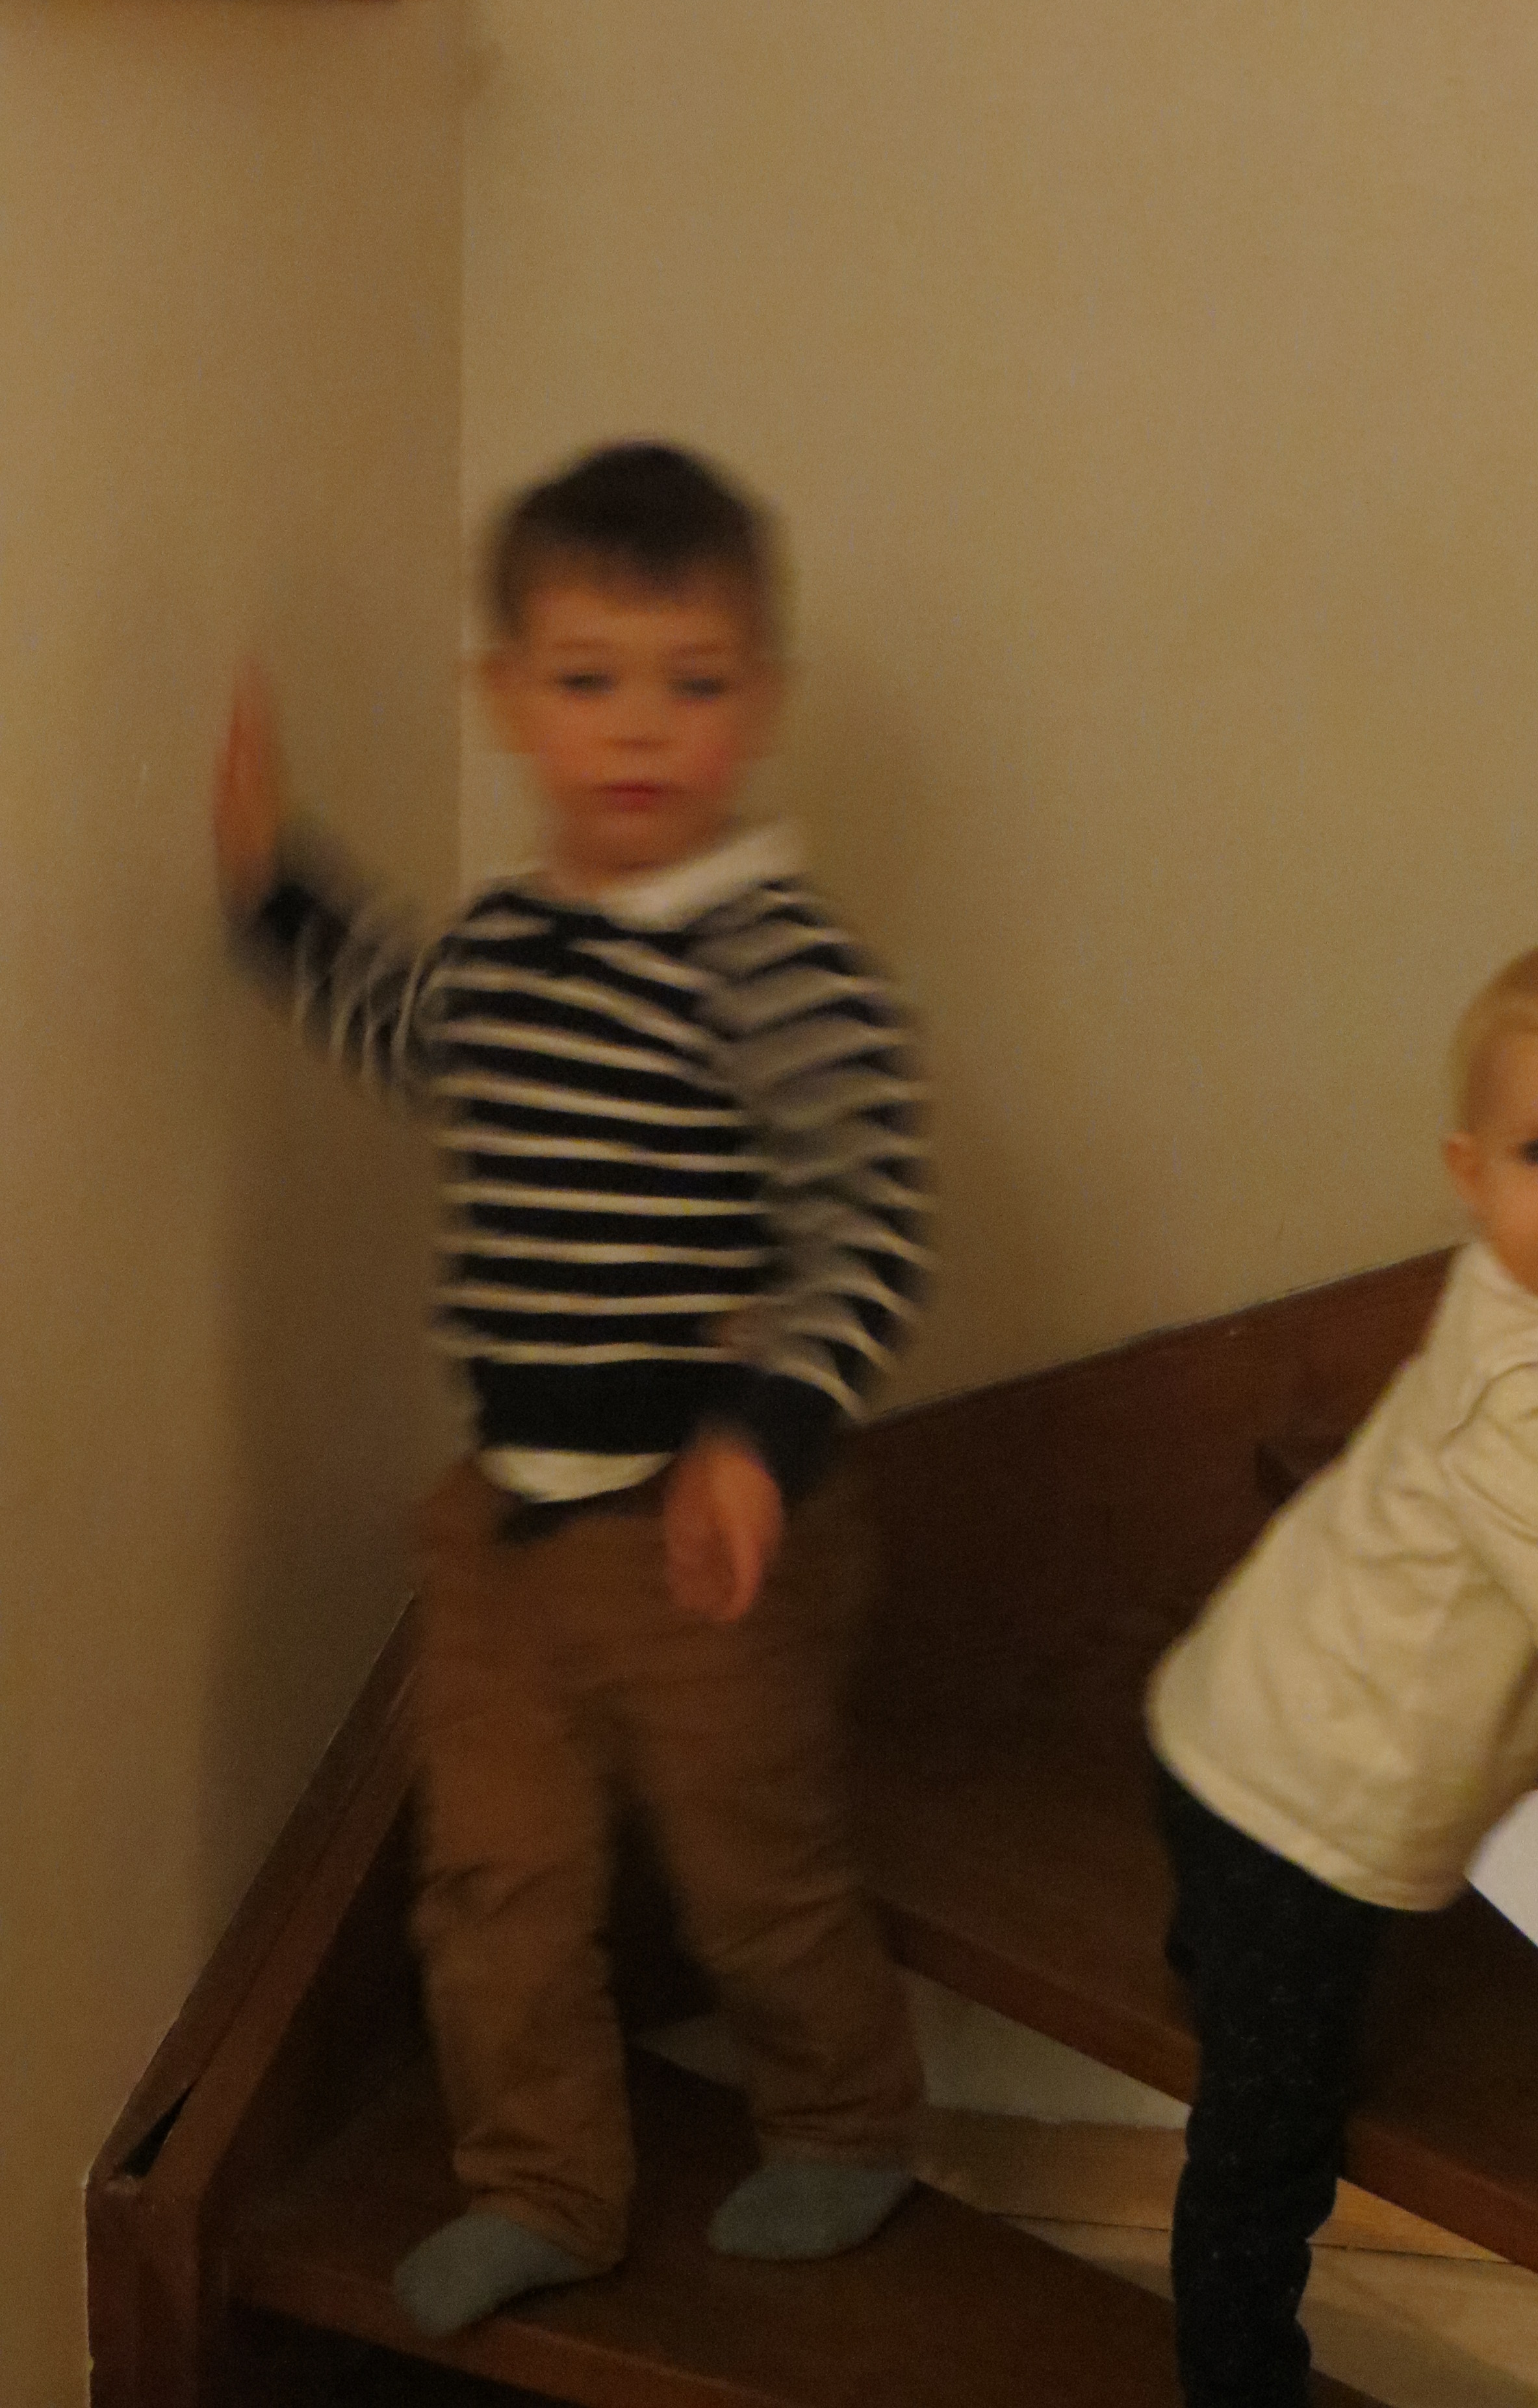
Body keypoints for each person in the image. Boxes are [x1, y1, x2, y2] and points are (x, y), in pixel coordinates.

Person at [214, 443, 930, 2338]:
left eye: (692, 683)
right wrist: (276, 889)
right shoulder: (511, 939)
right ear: (509, 698)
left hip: (700, 1525)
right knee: (494, 1876)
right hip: (504, 1526)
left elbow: (865, 1227)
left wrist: (766, 1438)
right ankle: (541, 2180)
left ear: (757, 703)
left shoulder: (776, 963)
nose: (638, 727)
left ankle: (848, 2119)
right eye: (589, 679)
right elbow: (406, 1024)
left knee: (751, 1871)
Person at [1147, 926, 1538, 2406]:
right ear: (1471, 1174)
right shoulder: (1524, 1397)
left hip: (1251, 1700)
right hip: (1290, 1790)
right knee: (1272, 2130)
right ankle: (1235, 2371)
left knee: (1240, 1958)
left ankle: (1208, 1942)